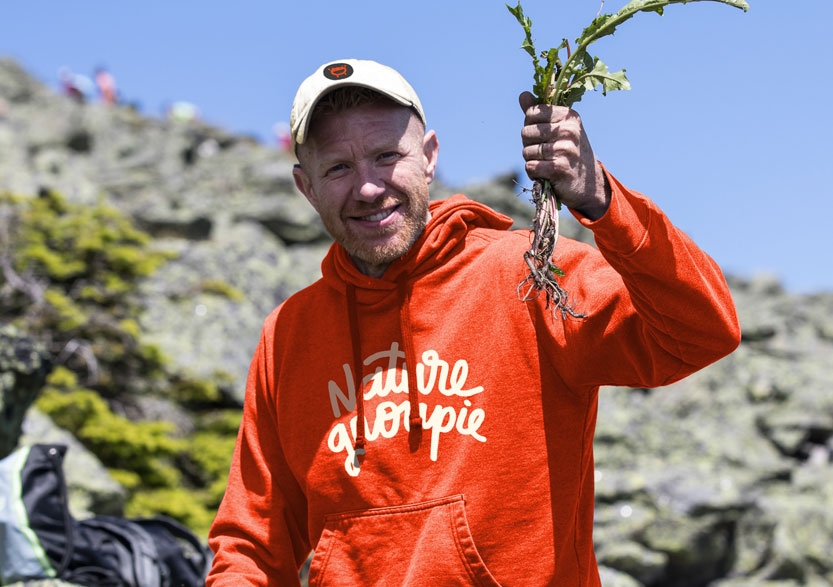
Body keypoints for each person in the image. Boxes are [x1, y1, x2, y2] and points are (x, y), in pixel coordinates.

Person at [206, 58, 740, 586]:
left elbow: (702, 332)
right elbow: (252, 546)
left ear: (429, 157)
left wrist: (600, 198)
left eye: (386, 156)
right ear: (307, 187)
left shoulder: (532, 274)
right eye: (338, 168)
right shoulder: (289, 333)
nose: (368, 188)